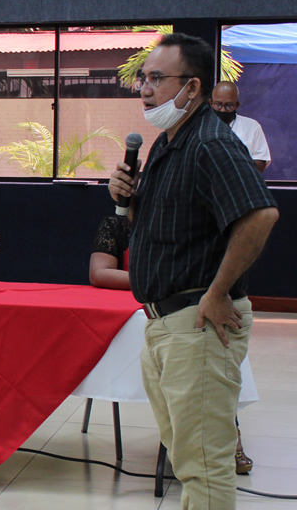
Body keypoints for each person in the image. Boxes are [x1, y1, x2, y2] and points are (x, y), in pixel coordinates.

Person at [109, 33, 278, 509]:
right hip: (164, 322)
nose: (144, 88)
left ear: (193, 87)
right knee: (188, 456)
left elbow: (260, 215)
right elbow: (166, 226)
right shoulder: (169, 143)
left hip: (198, 322)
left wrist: (219, 291)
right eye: (144, 77)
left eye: (157, 79)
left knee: (204, 464)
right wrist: (127, 198)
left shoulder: (210, 144)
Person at [89, 212, 254, 475]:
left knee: (208, 382)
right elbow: (99, 273)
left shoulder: (190, 220)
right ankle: (192, 458)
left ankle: (220, 440)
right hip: (152, 310)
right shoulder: (117, 223)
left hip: (192, 313)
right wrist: (158, 284)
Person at [210, 81, 271, 173]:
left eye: (228, 105)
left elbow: (261, 161)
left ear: (237, 105)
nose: (222, 110)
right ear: (211, 103)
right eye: (218, 104)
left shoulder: (252, 126)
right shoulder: (200, 125)